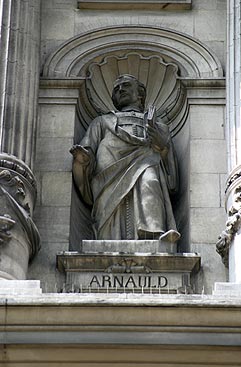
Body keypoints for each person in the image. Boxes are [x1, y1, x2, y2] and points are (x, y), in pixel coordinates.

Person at [70, 74, 180, 242]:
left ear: (140, 94)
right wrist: (83, 159)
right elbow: (88, 148)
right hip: (108, 176)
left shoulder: (158, 127)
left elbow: (172, 177)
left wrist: (162, 146)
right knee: (110, 209)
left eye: (126, 85)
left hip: (146, 163)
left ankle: (154, 234)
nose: (120, 90)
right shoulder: (102, 122)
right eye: (116, 89)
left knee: (150, 182)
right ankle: (108, 241)